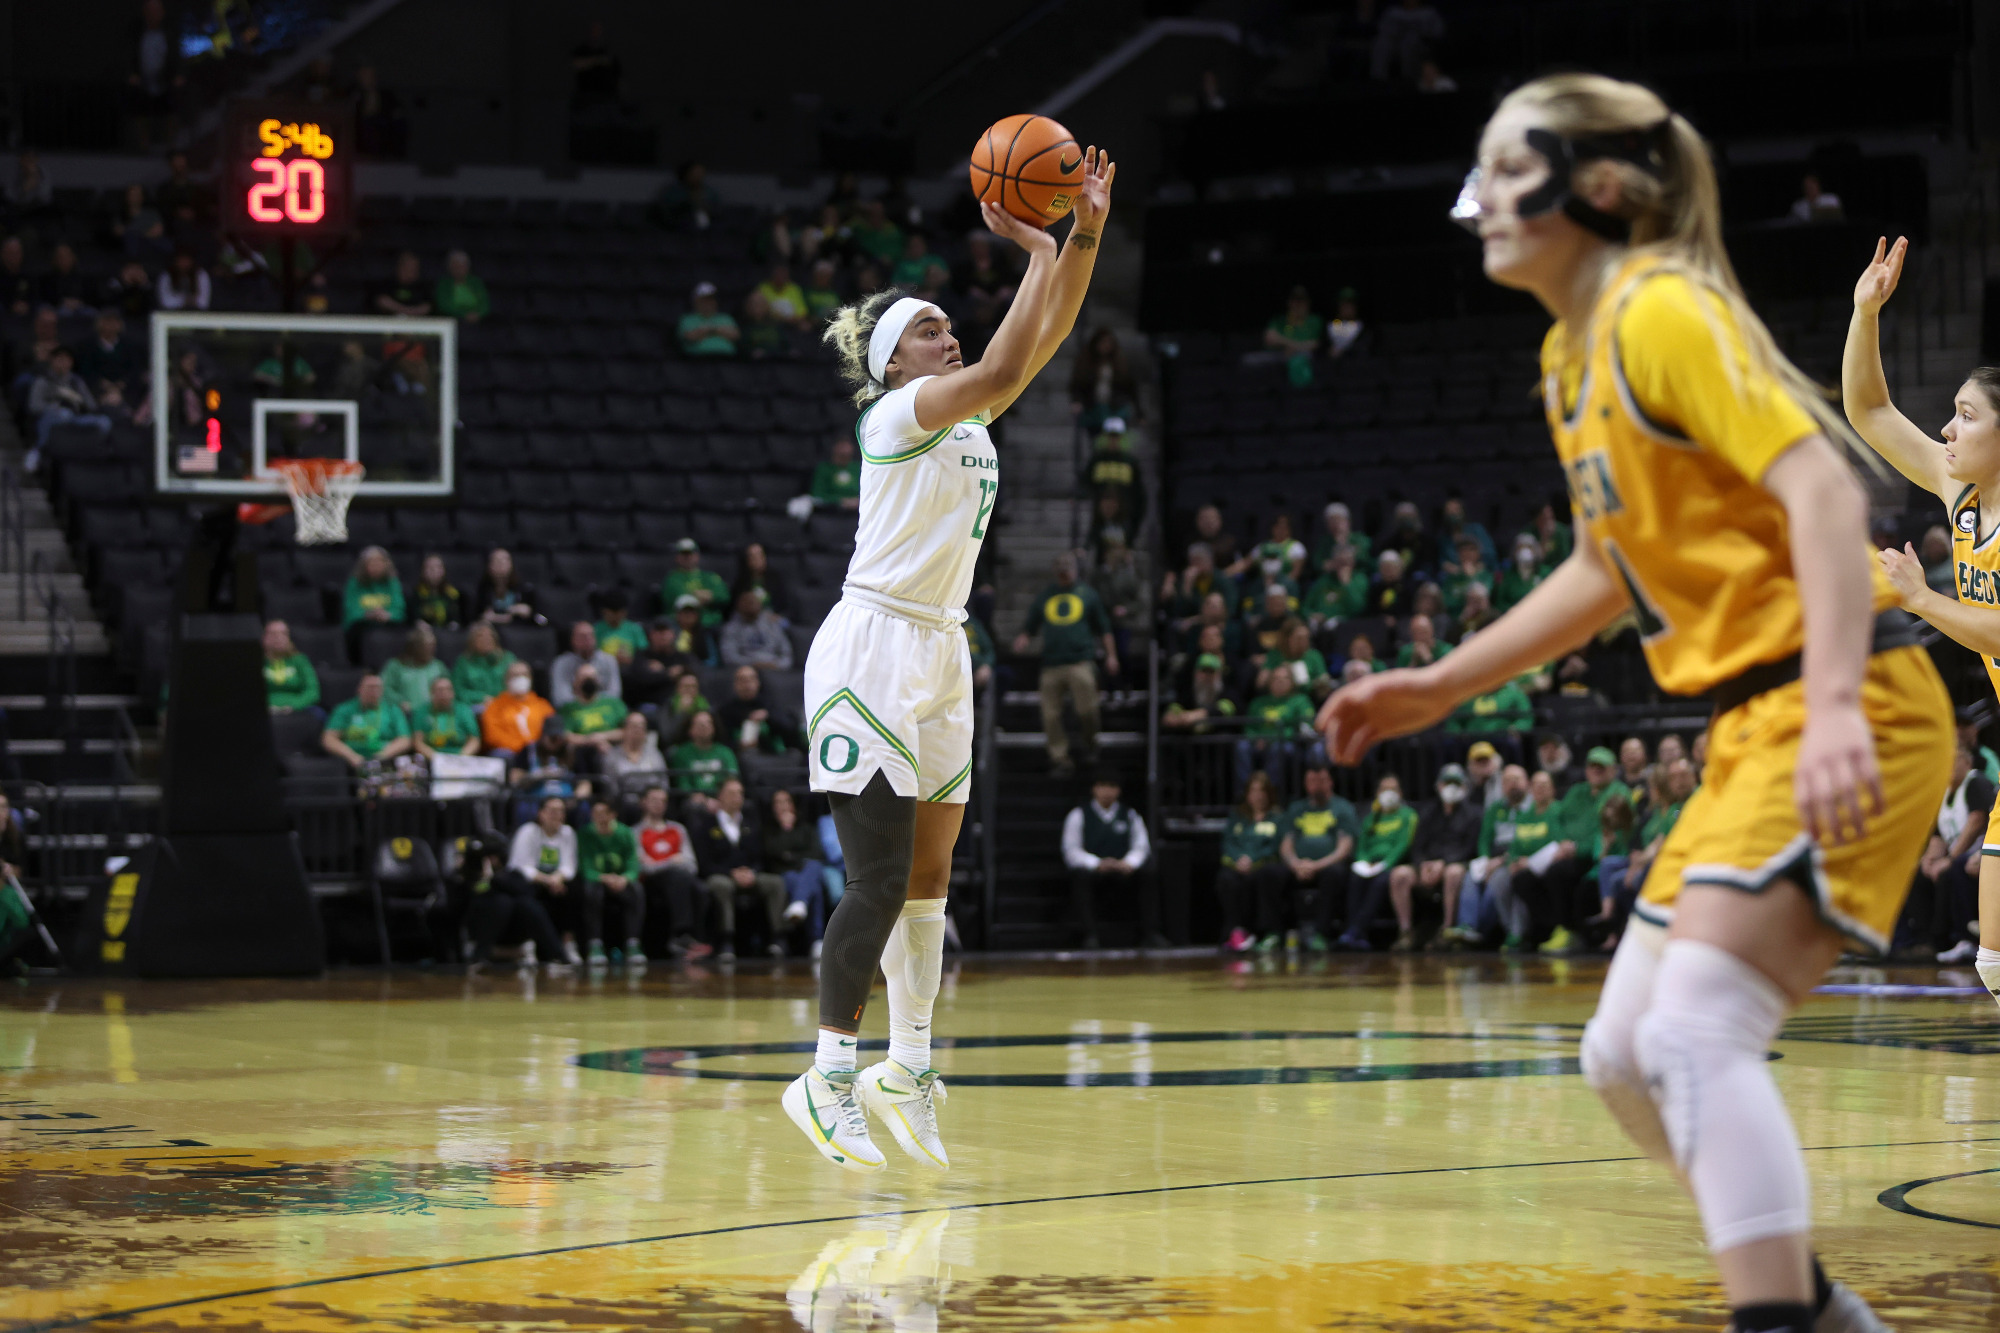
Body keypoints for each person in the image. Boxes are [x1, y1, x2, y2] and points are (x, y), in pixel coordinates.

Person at [1321, 74, 1951, 1333]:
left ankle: (1771, 1314)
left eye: (1511, 167)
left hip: (1849, 697)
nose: (1482, 195)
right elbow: (1601, 569)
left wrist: (1829, 705)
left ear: (1597, 190)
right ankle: (1822, 1315)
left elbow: (1823, 494)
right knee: (1618, 1058)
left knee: (1693, 1036)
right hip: (1749, 727)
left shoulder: (1660, 309)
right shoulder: (1569, 355)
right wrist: (1439, 683)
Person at [787, 147, 1113, 1176]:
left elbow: (1043, 338)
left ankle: (908, 1067)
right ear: (890, 361)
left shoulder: (963, 414)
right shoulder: (897, 414)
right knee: (876, 878)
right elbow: (1013, 363)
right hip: (870, 643)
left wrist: (1080, 236)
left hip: (939, 644)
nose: (947, 331)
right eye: (927, 327)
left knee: (929, 886)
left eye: (945, 322)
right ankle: (826, 1071)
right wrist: (1033, 243)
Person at [1843, 233, 2000, 1006]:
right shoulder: (1962, 495)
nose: (1947, 429)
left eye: (1966, 416)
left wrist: (1921, 598)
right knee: (1995, 965)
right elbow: (1870, 410)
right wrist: (1864, 313)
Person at [1013, 552, 1116, 777]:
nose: (1065, 572)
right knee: (1050, 715)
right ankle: (1060, 759)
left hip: (1080, 661)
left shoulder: (1087, 594)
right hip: (1052, 664)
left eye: (1068, 568)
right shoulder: (1046, 596)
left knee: (1087, 709)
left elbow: (1104, 628)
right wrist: (1024, 638)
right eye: (1061, 569)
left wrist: (1111, 655)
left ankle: (1090, 746)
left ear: (1076, 569)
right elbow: (1031, 624)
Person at [1061, 771, 1160, 949]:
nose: (1107, 791)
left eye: (1112, 786)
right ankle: (1090, 935)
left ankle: (1150, 933)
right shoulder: (1079, 815)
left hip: (1123, 870)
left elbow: (1141, 846)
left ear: (1119, 790)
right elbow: (1071, 850)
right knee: (1079, 876)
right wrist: (1097, 863)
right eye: (1103, 786)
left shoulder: (1129, 815)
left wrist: (1128, 863)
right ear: (1094, 789)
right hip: (1095, 871)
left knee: (1149, 872)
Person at [693, 776, 787, 962]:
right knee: (722, 886)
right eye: (732, 793)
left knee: (775, 883)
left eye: (740, 793)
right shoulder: (706, 825)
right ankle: (726, 939)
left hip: (750, 875)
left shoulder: (751, 824)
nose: (737, 798)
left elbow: (761, 857)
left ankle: (778, 937)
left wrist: (751, 871)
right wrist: (731, 873)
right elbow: (704, 863)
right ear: (720, 796)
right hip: (721, 875)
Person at [454, 829, 571, 977]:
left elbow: (525, 891)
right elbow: (462, 904)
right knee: (501, 902)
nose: (491, 861)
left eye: (493, 857)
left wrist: (494, 879)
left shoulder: (511, 874)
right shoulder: (465, 877)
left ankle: (559, 956)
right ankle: (478, 958)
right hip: (480, 931)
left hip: (511, 933)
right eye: (486, 857)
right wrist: (482, 879)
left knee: (526, 904)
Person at [1273, 761, 1358, 952]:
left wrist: (1316, 865)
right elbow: (1286, 843)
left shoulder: (1342, 808)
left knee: (1335, 874)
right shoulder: (1296, 808)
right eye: (1311, 780)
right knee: (1270, 873)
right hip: (1298, 866)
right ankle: (1274, 933)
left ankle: (1321, 934)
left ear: (1330, 782)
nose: (1316, 785)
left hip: (1327, 865)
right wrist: (1295, 864)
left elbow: (1344, 847)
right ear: (1305, 783)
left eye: (1321, 780)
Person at [1395, 763, 1481, 950]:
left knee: (1454, 873)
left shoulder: (1474, 814)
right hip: (1426, 866)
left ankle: (1447, 929)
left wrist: (1444, 863)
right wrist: (1422, 865)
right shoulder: (1428, 811)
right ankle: (1406, 931)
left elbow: (1470, 848)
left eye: (1456, 784)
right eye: (1447, 783)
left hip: (1454, 864)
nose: (1451, 788)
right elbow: (1417, 845)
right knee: (1399, 874)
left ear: (1465, 787)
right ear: (1438, 786)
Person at [1336, 774, 1418, 950]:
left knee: (1380, 882)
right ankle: (1356, 933)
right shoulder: (1372, 817)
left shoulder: (1408, 815)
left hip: (1393, 864)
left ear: (1401, 793)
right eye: (1384, 789)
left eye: (1393, 789)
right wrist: (1363, 862)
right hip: (1369, 864)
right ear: (1377, 793)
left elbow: (1403, 844)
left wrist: (1385, 864)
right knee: (1355, 879)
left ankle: (1356, 930)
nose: (1388, 793)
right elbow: (1362, 845)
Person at [633, 784, 710, 959]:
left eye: (663, 801)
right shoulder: (636, 832)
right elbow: (644, 867)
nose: (659, 804)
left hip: (679, 879)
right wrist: (671, 861)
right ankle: (680, 935)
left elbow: (692, 864)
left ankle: (694, 938)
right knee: (678, 875)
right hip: (651, 883)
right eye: (654, 800)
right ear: (643, 803)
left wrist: (660, 862)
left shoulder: (678, 829)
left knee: (700, 888)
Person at [509, 796, 583, 966]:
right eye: (552, 811)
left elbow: (569, 865)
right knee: (527, 896)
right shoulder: (528, 831)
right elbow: (523, 867)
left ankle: (568, 943)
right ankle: (528, 946)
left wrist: (557, 878)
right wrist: (547, 880)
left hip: (555, 882)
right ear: (540, 813)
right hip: (530, 882)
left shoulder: (568, 833)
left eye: (560, 811)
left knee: (575, 890)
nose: (556, 815)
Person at [576, 799, 645, 968]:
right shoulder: (585, 834)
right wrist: (605, 878)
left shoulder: (625, 833)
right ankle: (595, 945)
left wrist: (625, 878)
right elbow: (585, 867)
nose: (599, 818)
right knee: (592, 892)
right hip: (598, 881)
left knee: (636, 890)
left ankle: (633, 944)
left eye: (603, 813)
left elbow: (632, 864)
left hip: (620, 881)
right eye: (596, 814)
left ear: (613, 814)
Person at [26, 347, 110, 464]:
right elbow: (34, 406)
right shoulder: (43, 381)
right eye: (60, 359)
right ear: (52, 360)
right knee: (64, 414)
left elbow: (91, 405)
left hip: (76, 417)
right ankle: (37, 451)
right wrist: (54, 407)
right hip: (50, 417)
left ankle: (98, 455)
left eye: (67, 360)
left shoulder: (76, 381)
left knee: (103, 421)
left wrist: (78, 400)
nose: (63, 363)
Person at [766, 789, 827, 941]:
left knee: (814, 867)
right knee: (814, 887)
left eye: (786, 801)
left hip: (806, 870)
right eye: (778, 802)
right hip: (783, 873)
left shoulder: (806, 828)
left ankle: (799, 903)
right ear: (773, 807)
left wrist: (790, 856)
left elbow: (817, 854)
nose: (783, 806)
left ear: (793, 805)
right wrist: (786, 830)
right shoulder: (768, 830)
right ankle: (817, 940)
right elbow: (772, 852)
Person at [322, 674, 414, 771]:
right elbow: (329, 739)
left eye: (377, 687)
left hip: (384, 761)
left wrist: (382, 755)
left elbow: (404, 740)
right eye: (370, 687)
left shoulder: (393, 710)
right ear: (359, 688)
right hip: (350, 763)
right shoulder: (344, 709)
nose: (374, 691)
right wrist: (351, 756)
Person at [480, 661, 555, 765]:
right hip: (511, 752)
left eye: (524, 675)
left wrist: (535, 748)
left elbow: (552, 731)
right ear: (506, 680)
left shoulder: (543, 706)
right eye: (515, 675)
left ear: (531, 679)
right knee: (502, 755)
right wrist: (522, 748)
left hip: (539, 751)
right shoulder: (494, 707)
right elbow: (492, 737)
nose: (520, 679)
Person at [557, 664, 628, 773]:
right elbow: (566, 735)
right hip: (582, 752)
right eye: (584, 678)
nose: (589, 681)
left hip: (612, 748)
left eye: (592, 678)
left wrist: (602, 736)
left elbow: (626, 731)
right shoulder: (569, 708)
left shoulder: (613, 704)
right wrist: (591, 741)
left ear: (598, 681)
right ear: (575, 682)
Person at [719, 665, 803, 756]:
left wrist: (768, 716)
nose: (747, 685)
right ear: (735, 684)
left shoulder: (770, 705)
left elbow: (790, 729)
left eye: (751, 680)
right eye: (742, 680)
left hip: (773, 756)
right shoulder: (726, 711)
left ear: (758, 682)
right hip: (741, 757)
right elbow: (722, 741)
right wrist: (738, 745)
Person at [342, 548, 405, 660]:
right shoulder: (355, 583)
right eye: (372, 562)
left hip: (387, 626)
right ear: (363, 565)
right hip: (362, 629)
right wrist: (367, 615)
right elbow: (350, 611)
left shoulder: (392, 583)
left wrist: (387, 615)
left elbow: (399, 610)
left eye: (379, 562)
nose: (376, 566)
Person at [669, 709, 739, 803]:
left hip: (723, 799)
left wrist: (722, 798)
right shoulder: (682, 753)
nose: (705, 727)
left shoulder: (725, 752)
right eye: (700, 724)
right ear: (690, 730)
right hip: (696, 800)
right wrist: (697, 797)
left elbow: (732, 778)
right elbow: (683, 783)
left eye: (708, 723)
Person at [380, 623, 446, 717]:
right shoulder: (396, 666)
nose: (431, 650)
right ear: (414, 647)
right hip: (404, 714)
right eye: (426, 646)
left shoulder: (438, 666)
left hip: (432, 714)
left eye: (433, 646)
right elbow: (385, 689)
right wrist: (399, 702)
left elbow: (449, 688)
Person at [662, 538, 730, 628]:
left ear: (697, 556)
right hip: (683, 625)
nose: (687, 557)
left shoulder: (710, 576)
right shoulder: (671, 579)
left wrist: (710, 597)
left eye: (690, 553)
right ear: (677, 557)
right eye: (683, 554)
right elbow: (679, 599)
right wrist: (705, 596)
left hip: (713, 624)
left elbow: (724, 596)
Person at [719, 589, 793, 671]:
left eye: (753, 601)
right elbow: (729, 657)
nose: (750, 604)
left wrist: (777, 665)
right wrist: (752, 664)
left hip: (774, 669)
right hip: (746, 671)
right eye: (746, 602)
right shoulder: (731, 628)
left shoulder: (772, 624)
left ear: (760, 604)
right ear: (738, 605)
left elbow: (786, 655)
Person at [551, 622, 622, 707]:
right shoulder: (561, 663)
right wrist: (583, 701)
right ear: (573, 640)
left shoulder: (609, 661)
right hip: (574, 710)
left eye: (590, 635)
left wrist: (592, 701)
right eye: (582, 636)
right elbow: (560, 698)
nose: (587, 639)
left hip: (604, 709)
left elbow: (615, 694)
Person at [261, 620, 321, 720]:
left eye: (283, 634)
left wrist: (294, 705)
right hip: (265, 709)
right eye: (273, 634)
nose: (278, 638)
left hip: (297, 707)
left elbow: (313, 691)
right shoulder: (256, 661)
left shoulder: (300, 660)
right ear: (264, 638)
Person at [452, 621, 516, 711]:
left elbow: (516, 684)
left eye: (489, 636)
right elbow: (458, 691)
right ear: (472, 640)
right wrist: (481, 697)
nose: (486, 639)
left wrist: (500, 700)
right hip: (476, 706)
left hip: (505, 705)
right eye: (480, 636)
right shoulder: (463, 662)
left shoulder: (507, 659)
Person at [411, 675, 480, 756]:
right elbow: (418, 742)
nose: (445, 693)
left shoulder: (463, 710)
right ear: (431, 693)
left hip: (460, 756)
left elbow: (474, 740)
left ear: (453, 692)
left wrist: (462, 756)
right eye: (440, 690)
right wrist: (436, 758)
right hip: (431, 757)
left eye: (448, 689)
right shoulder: (421, 712)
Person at [472, 548, 537, 625]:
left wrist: (526, 611)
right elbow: (477, 616)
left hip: (517, 628)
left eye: (505, 560)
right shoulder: (482, 590)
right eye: (496, 561)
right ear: (489, 566)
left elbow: (533, 614)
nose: (501, 563)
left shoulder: (523, 589)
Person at [604, 711, 667, 789]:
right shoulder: (612, 755)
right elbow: (610, 787)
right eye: (634, 726)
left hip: (651, 799)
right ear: (624, 729)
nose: (637, 731)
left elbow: (663, 782)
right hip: (622, 799)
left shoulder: (654, 753)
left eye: (641, 727)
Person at [678, 282, 739, 357]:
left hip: (726, 359)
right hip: (697, 361)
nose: (708, 303)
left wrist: (706, 330)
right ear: (695, 301)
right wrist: (719, 330)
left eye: (711, 299)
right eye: (704, 300)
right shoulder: (687, 319)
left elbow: (735, 336)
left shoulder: (726, 318)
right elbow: (690, 337)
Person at [591, 588, 646, 666]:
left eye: (620, 613)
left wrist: (631, 660)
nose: (616, 617)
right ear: (604, 611)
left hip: (630, 669)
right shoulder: (595, 629)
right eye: (613, 613)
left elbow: (642, 653)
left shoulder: (635, 629)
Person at [433, 249, 490, 322]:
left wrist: (478, 314)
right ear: (449, 267)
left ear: (468, 267)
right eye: (455, 265)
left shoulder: (476, 282)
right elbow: (443, 305)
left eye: (462, 265)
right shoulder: (444, 284)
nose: (458, 269)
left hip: (477, 318)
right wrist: (464, 314)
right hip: (453, 318)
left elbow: (485, 304)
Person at [408, 554, 462, 630]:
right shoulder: (416, 593)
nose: (433, 571)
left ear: (443, 570)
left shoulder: (452, 593)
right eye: (429, 567)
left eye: (438, 567)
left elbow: (455, 620)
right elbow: (414, 618)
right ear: (423, 571)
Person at [811, 436, 862, 510]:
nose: (844, 450)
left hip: (856, 511)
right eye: (841, 445)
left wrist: (857, 501)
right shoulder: (824, 469)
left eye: (846, 445)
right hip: (830, 512)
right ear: (834, 447)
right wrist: (840, 501)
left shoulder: (859, 468)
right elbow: (818, 495)